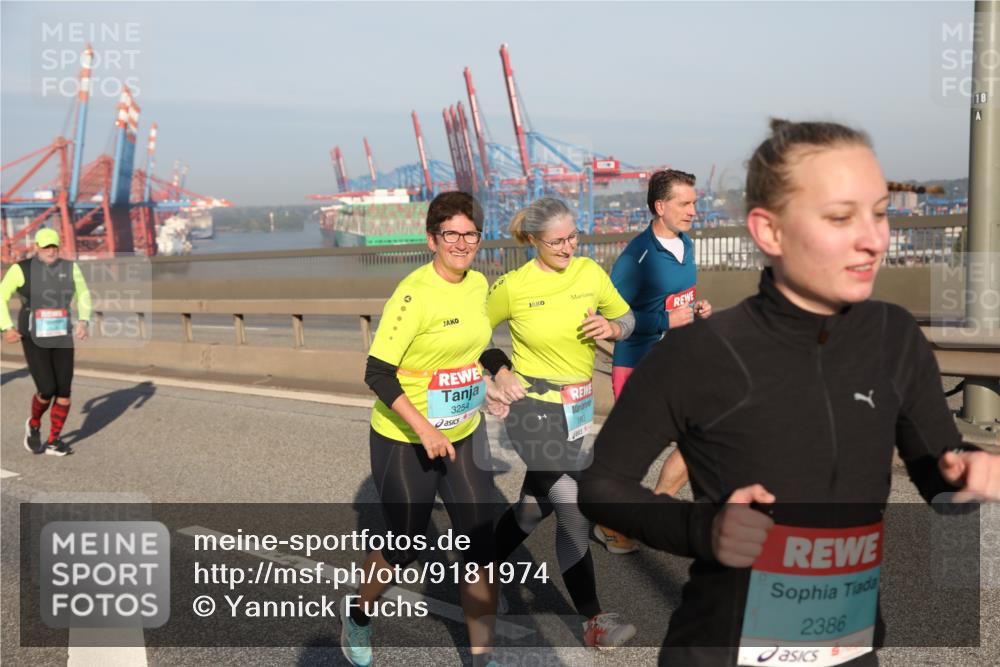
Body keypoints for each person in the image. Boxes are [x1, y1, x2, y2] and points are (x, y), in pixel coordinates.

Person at [579, 119, 1000, 666]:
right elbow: (600, 485)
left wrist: (967, 473)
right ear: (769, 231)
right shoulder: (701, 352)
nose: (873, 238)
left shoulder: (894, 337)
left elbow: (938, 478)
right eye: (841, 217)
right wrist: (700, 528)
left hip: (849, 646)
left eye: (879, 212)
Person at [345, 192, 500, 667]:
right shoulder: (413, 295)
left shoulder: (478, 284)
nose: (461, 243)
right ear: (432, 239)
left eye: (469, 233)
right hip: (405, 437)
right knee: (406, 542)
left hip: (463, 429)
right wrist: (426, 429)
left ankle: (481, 658)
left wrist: (498, 374)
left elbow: (476, 346)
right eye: (450, 234)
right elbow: (377, 372)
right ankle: (359, 613)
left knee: (479, 540)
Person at [485, 197, 638, 648]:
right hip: (532, 410)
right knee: (573, 505)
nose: (569, 247)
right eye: (557, 241)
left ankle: (478, 572)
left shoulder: (590, 272)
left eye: (573, 237)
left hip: (577, 411)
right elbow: (473, 335)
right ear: (533, 240)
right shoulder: (513, 286)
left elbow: (627, 317)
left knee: (533, 508)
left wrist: (612, 330)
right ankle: (593, 619)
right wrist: (500, 369)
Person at [593, 169, 713, 555]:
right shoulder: (635, 258)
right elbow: (612, 320)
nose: (694, 210)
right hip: (638, 367)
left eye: (695, 202)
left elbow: (677, 299)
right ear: (661, 207)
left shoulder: (686, 245)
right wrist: (666, 320)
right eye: (686, 203)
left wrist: (696, 309)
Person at [1, 228, 91, 456]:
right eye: (46, 247)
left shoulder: (70, 268)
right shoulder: (21, 269)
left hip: (61, 334)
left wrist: (83, 320)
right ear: (36, 247)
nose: (51, 251)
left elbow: (83, 293)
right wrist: (6, 327)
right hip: (33, 336)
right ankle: (34, 423)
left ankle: (54, 441)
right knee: (47, 388)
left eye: (54, 246)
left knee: (64, 390)